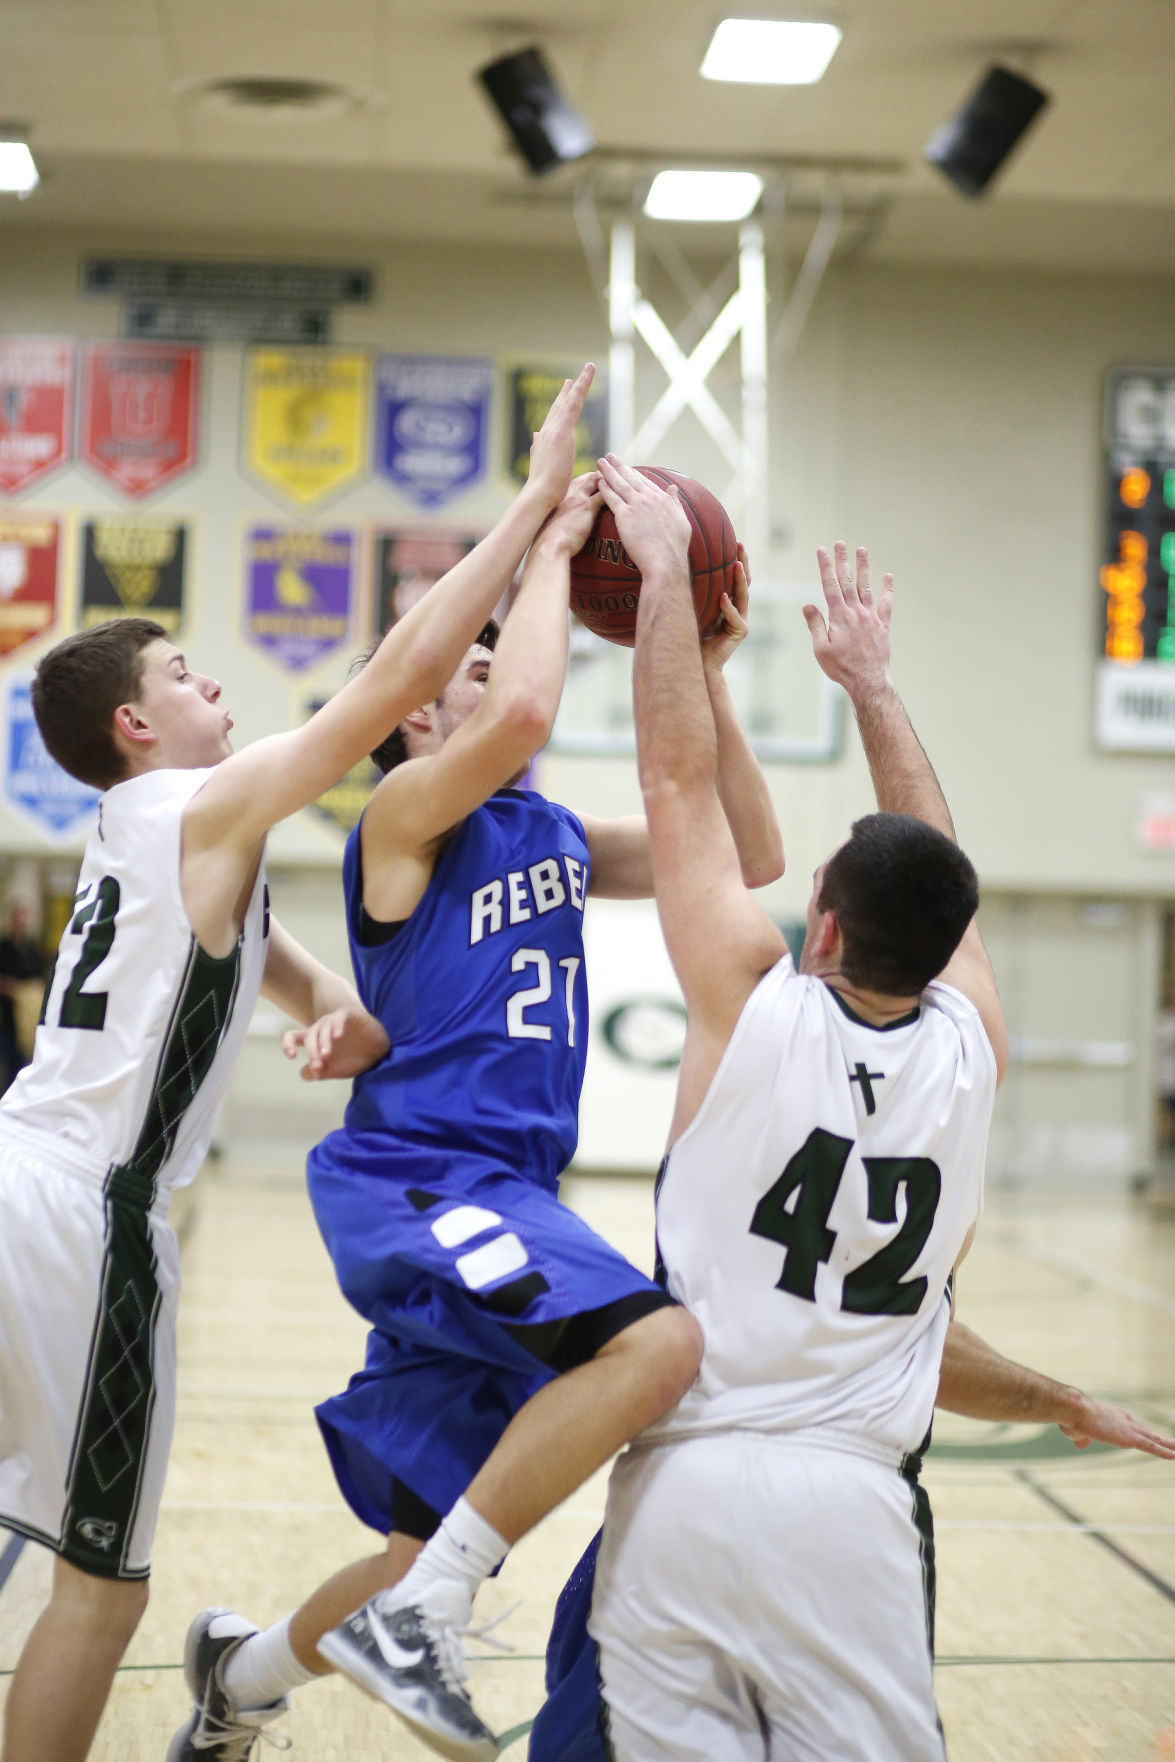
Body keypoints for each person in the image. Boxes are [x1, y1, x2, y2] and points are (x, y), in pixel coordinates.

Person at [0, 365, 597, 1762]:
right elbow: (388, 682)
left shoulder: (172, 845)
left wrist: (345, 1021)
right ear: (137, 726)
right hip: (85, 1213)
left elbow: (336, 1000)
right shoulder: (198, 805)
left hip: (15, 1169)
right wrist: (526, 510)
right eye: (184, 675)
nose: (213, 684)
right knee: (101, 1576)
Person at [168, 478, 784, 1762]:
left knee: (410, 1554)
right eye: (459, 665)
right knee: (659, 1348)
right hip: (422, 1176)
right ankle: (422, 1625)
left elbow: (747, 848)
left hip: (506, 1190)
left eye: (489, 652)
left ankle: (243, 1670)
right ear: (403, 720)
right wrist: (556, 546)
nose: (487, 671)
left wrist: (704, 668)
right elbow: (522, 712)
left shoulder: (548, 829)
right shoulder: (398, 826)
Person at [580, 463, 1008, 1762]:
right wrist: (871, 689)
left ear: (815, 922)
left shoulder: (748, 1003)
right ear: (946, 946)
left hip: (689, 1483)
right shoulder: (971, 1042)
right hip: (854, 1504)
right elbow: (943, 871)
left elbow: (671, 782)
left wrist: (663, 582)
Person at [529, 1315, 1175, 1762]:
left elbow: (916, 1337)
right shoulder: (907, 1158)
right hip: (829, 1510)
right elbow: (919, 1342)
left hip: (689, 1499)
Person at [0, 901, 46, 1092]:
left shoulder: (32, 950)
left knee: (23, 1065)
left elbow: (39, 978)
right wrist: (12, 988)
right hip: (7, 1018)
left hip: (27, 1020)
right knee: (8, 1063)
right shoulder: (4, 949)